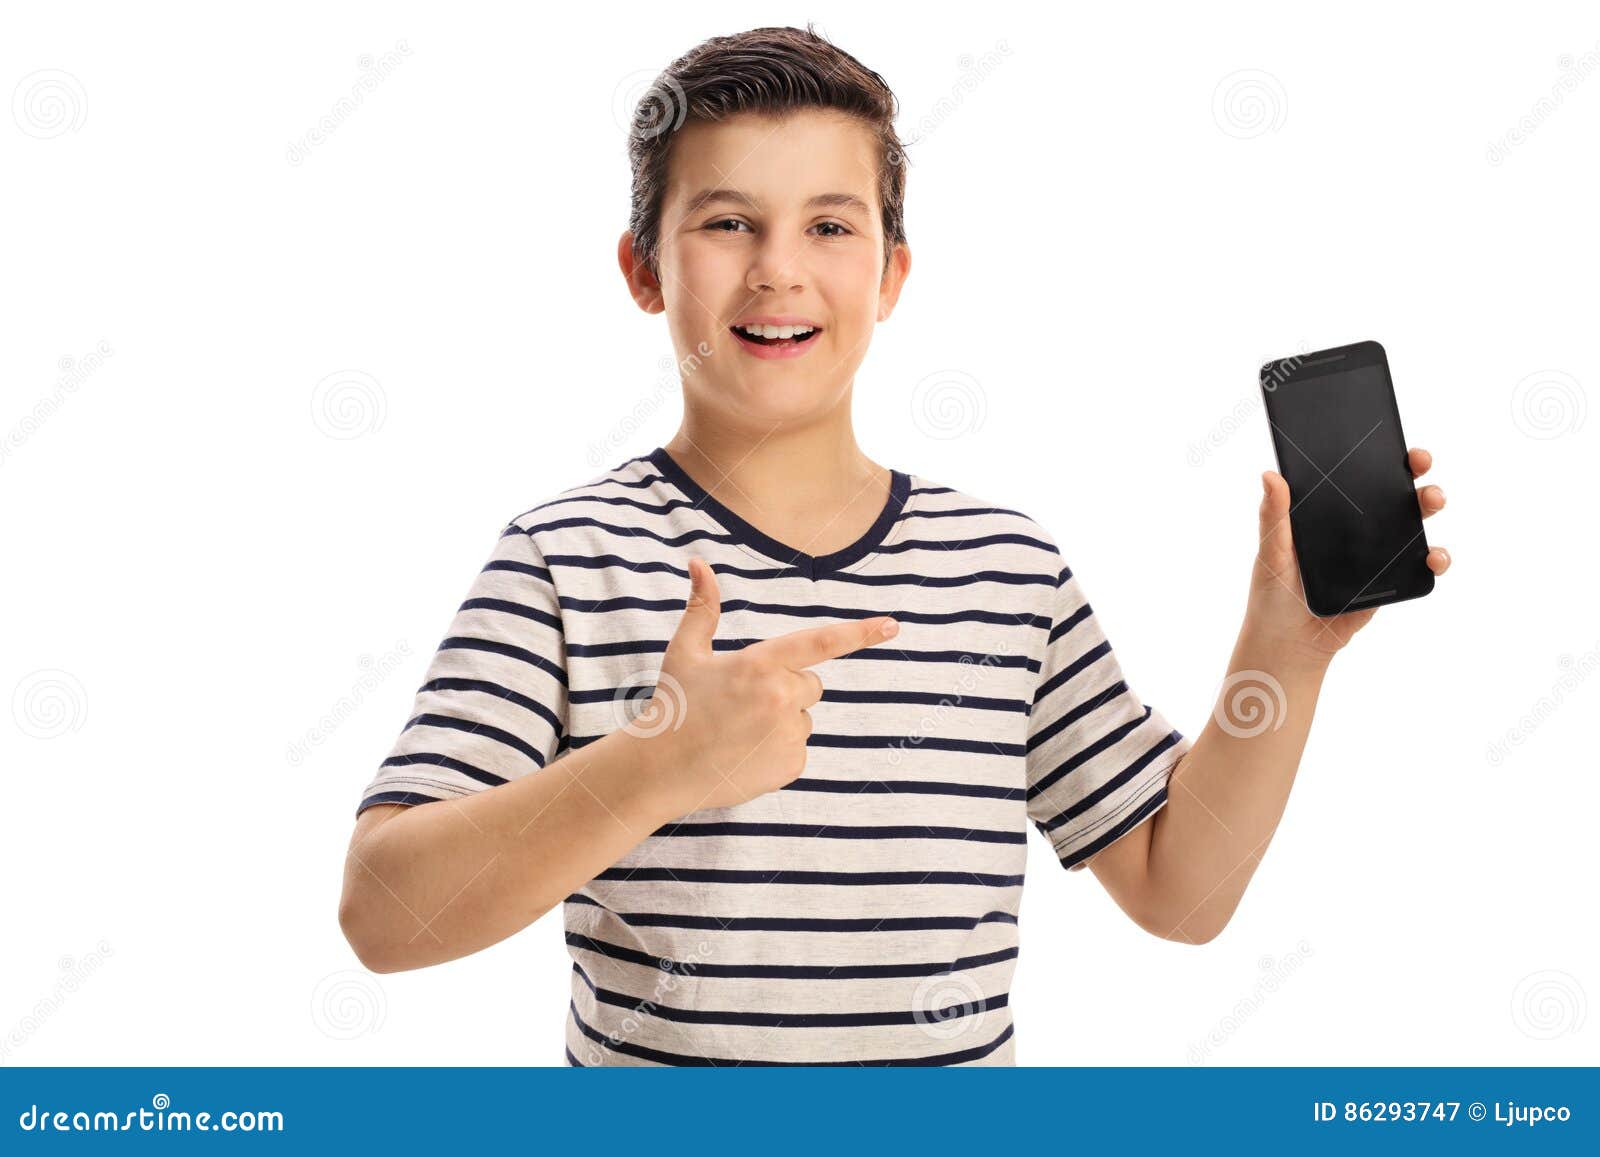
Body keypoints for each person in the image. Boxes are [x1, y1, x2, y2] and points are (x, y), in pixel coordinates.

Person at [336, 24, 1452, 1066]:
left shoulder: (1006, 568)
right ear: (641, 269)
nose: (778, 268)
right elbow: (383, 915)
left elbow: (1180, 890)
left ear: (892, 275)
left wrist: (1287, 653)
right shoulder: (564, 557)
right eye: (728, 222)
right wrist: (659, 762)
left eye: (830, 225)